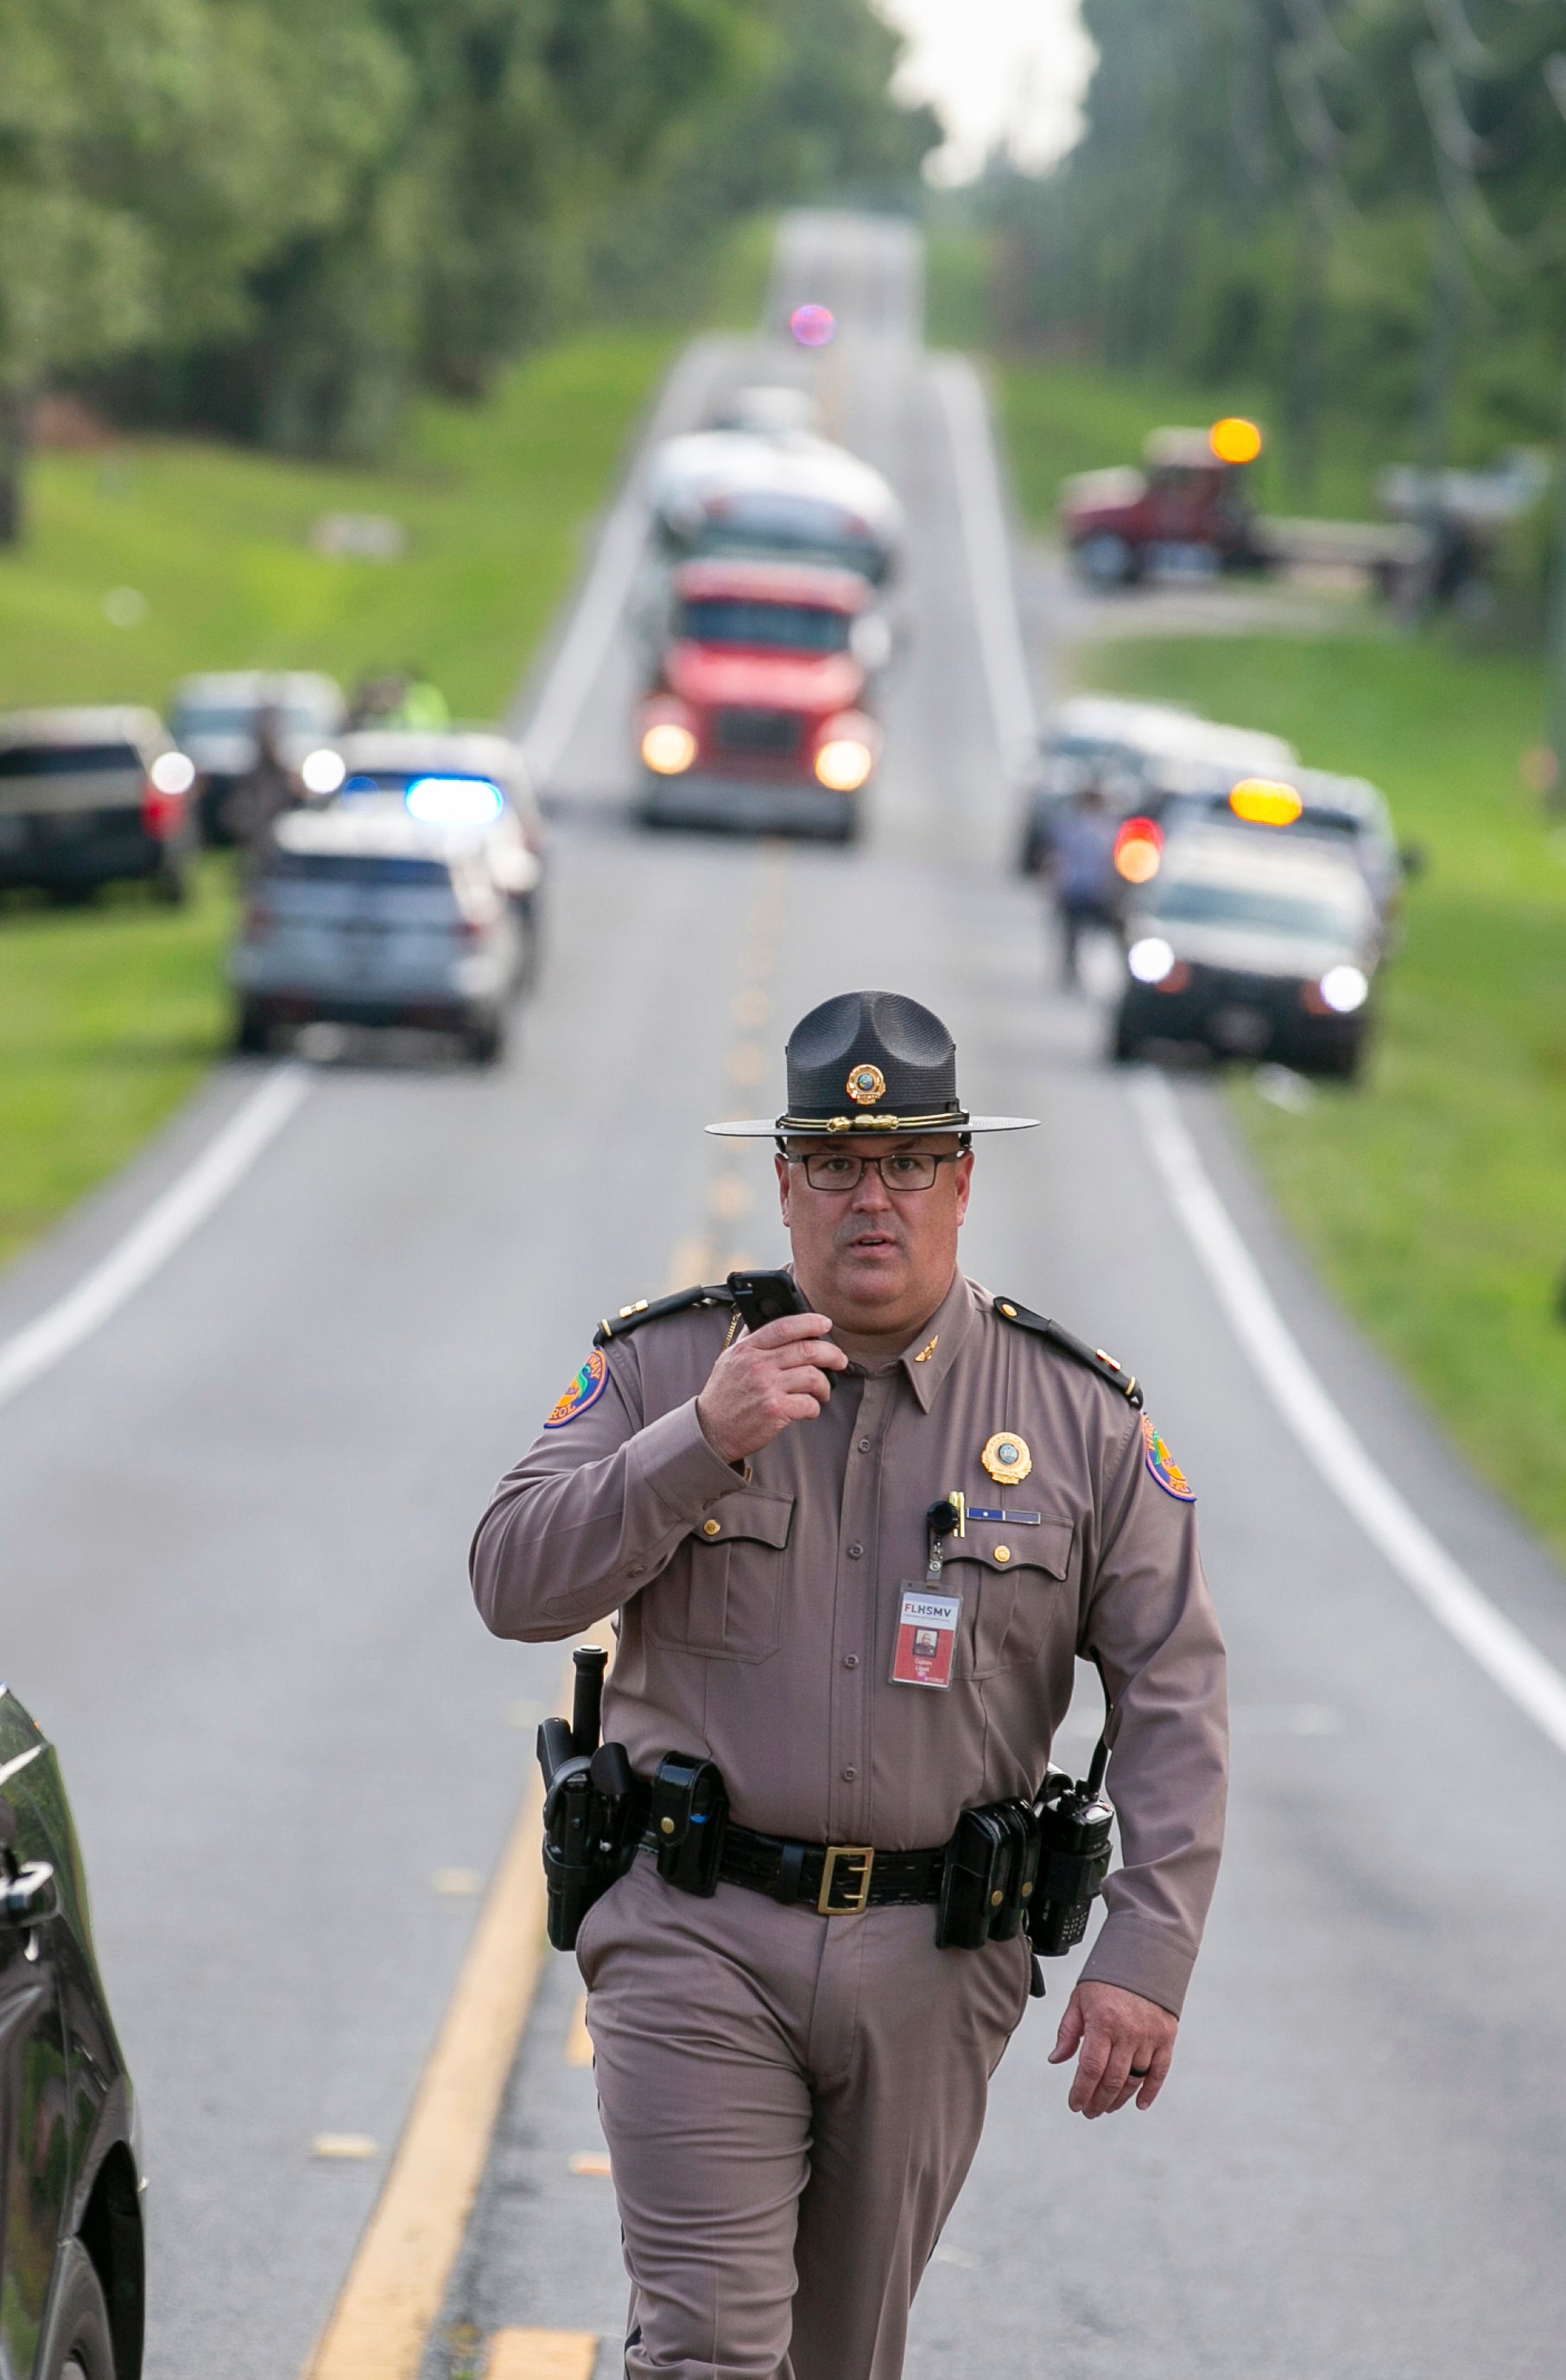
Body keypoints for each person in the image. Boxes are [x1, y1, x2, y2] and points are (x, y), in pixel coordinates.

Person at [471, 990, 1227, 2380]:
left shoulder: (1077, 1420)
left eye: (906, 1164)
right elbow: (512, 1584)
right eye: (831, 1164)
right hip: (692, 1932)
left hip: (936, 1962)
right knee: (708, 2349)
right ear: (782, 1181)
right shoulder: (664, 1366)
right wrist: (699, 1440)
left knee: (838, 2359)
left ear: (961, 1178)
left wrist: (1147, 1954)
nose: (868, 1199)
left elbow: (1173, 1692)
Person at [1046, 782, 1120, 988]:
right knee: (1073, 934)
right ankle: (1072, 970)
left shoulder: (1103, 826)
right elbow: (1058, 856)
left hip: (1087, 889)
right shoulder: (1077, 826)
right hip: (1078, 887)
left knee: (1083, 934)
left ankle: (1078, 969)